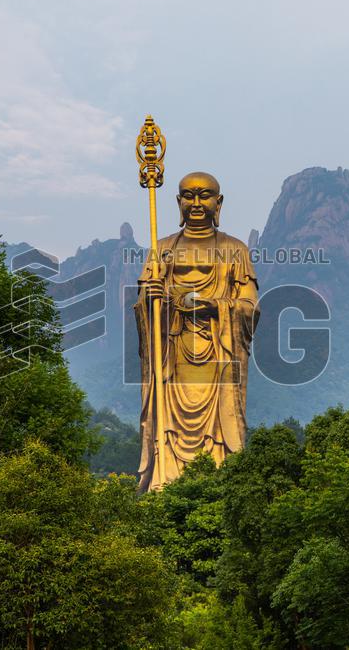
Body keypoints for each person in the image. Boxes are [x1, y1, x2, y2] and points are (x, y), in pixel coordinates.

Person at [136, 171, 259, 492]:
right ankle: (166, 479)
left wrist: (208, 304)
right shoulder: (159, 250)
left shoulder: (235, 250)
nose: (196, 203)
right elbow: (143, 308)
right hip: (173, 356)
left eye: (204, 195)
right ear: (178, 202)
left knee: (219, 427)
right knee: (169, 424)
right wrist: (150, 300)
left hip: (219, 355)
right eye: (188, 196)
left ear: (218, 203)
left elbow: (249, 306)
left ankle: (220, 479)